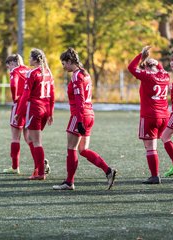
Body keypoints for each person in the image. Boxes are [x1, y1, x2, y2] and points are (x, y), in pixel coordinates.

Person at [53, 47, 117, 190]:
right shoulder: (85, 74)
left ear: (70, 61)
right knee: (83, 149)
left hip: (79, 115)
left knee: (71, 148)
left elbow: (80, 99)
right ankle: (108, 171)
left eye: (64, 64)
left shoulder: (76, 75)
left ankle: (69, 182)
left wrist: (80, 120)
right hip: (89, 114)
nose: (63, 67)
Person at [127, 46, 170, 184]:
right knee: (154, 146)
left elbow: (131, 67)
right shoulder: (165, 76)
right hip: (164, 115)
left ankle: (155, 175)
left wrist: (141, 55)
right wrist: (155, 62)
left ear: (146, 68)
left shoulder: (147, 76)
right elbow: (161, 68)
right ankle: (155, 174)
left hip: (150, 115)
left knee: (150, 147)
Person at [15, 48, 54, 180]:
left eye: (30, 57)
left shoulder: (32, 73)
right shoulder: (48, 72)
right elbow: (52, 94)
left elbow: (25, 95)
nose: (28, 60)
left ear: (35, 59)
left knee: (36, 141)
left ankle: (41, 172)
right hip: (45, 109)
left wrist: (19, 112)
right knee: (30, 139)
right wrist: (50, 113)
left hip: (35, 109)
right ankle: (38, 167)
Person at [3, 54, 33, 175]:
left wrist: (15, 98)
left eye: (9, 65)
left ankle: (15, 167)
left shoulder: (15, 71)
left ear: (13, 63)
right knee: (29, 137)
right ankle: (39, 163)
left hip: (19, 105)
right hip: (30, 105)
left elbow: (13, 84)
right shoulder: (29, 70)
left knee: (15, 137)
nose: (9, 68)